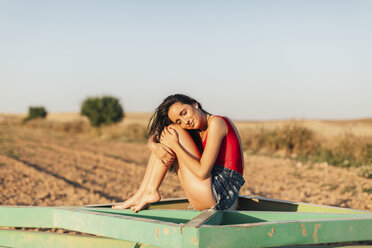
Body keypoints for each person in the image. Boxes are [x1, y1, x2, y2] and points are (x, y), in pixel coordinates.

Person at [112, 94, 245, 212]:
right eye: (179, 121)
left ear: (195, 104)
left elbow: (202, 172)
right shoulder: (197, 131)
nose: (185, 121)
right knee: (168, 135)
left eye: (184, 112)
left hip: (221, 193)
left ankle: (149, 191)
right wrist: (153, 145)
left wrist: (175, 144)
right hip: (208, 194)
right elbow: (159, 136)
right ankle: (142, 193)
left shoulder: (217, 122)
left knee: (172, 132)